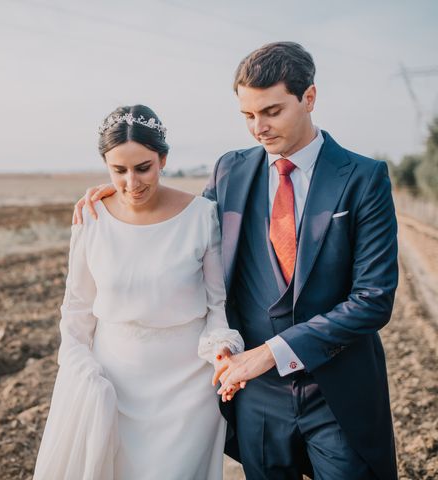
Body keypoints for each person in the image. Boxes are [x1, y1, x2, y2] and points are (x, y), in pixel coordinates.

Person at [74, 42, 398, 480]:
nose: (258, 128)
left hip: (337, 389)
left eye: (271, 111)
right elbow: (181, 237)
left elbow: (373, 299)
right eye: (247, 115)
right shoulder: (230, 170)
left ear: (310, 98)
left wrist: (269, 353)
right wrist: (119, 201)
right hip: (257, 399)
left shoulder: (363, 178)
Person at [34, 104, 244, 480]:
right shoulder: (90, 218)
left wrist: (221, 348)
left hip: (187, 389)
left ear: (163, 159)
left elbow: (217, 305)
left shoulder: (201, 216)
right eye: (119, 171)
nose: (132, 183)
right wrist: (80, 369)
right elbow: (77, 308)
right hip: (112, 383)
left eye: (143, 168)